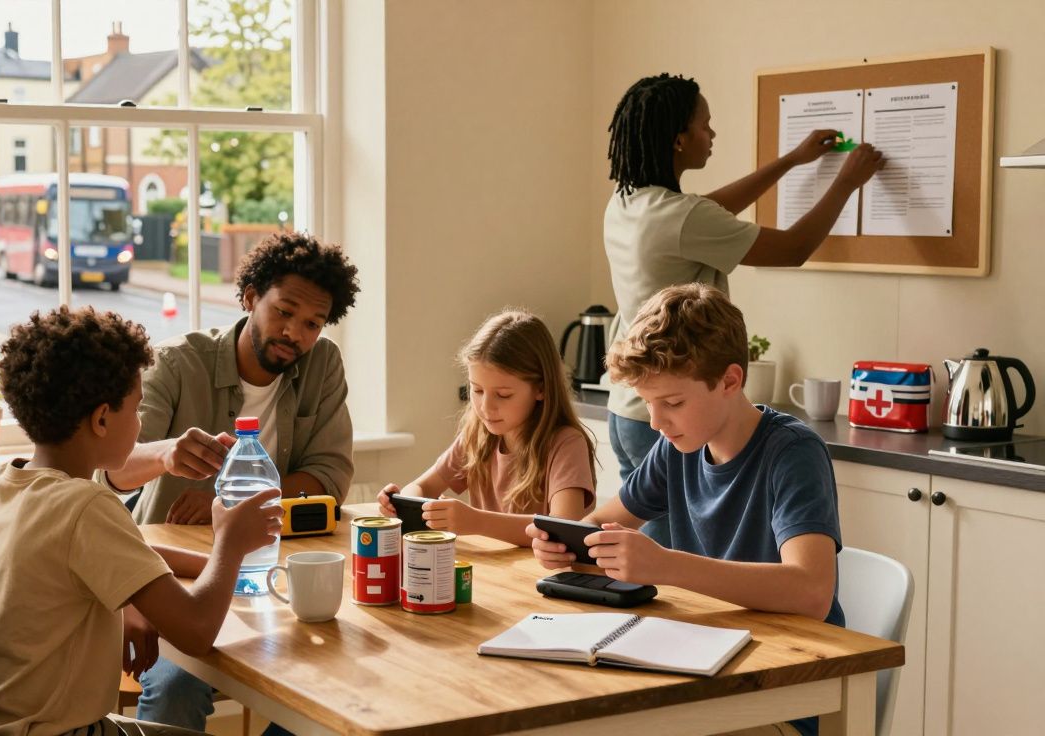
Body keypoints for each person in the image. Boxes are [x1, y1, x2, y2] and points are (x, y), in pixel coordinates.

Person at [0, 306, 282, 736]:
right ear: (102, 418)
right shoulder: (85, 505)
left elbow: (127, 555)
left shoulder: (8, 480)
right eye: (137, 409)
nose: (141, 423)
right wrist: (229, 545)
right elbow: (197, 631)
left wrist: (221, 567)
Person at [527, 283, 844, 736]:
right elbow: (599, 523)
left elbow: (812, 592)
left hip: (780, 698)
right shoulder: (677, 447)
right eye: (649, 403)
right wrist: (566, 542)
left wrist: (665, 566)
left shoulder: (793, 453)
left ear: (730, 381)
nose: (656, 422)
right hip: (702, 667)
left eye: (672, 403)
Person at [600, 73, 883, 547]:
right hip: (675, 404)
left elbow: (705, 210)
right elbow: (793, 247)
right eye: (705, 125)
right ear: (679, 139)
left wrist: (791, 161)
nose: (713, 135)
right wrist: (846, 181)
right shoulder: (681, 218)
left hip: (632, 406)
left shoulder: (629, 202)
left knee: (652, 557)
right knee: (671, 568)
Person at [102, 230, 360, 730]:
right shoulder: (177, 362)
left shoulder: (322, 364)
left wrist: (236, 502)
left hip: (279, 575)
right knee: (176, 687)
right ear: (248, 298)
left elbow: (329, 479)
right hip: (176, 579)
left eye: (312, 323)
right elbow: (113, 469)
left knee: (345, 684)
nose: (296, 333)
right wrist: (165, 455)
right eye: (284, 312)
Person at [377, 310, 596, 546]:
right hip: (493, 574)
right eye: (477, 390)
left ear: (541, 389)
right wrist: (406, 505)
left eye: (503, 395)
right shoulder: (477, 435)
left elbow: (562, 528)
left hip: (546, 576)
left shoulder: (566, 443)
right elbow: (420, 486)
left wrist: (477, 522)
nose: (486, 407)